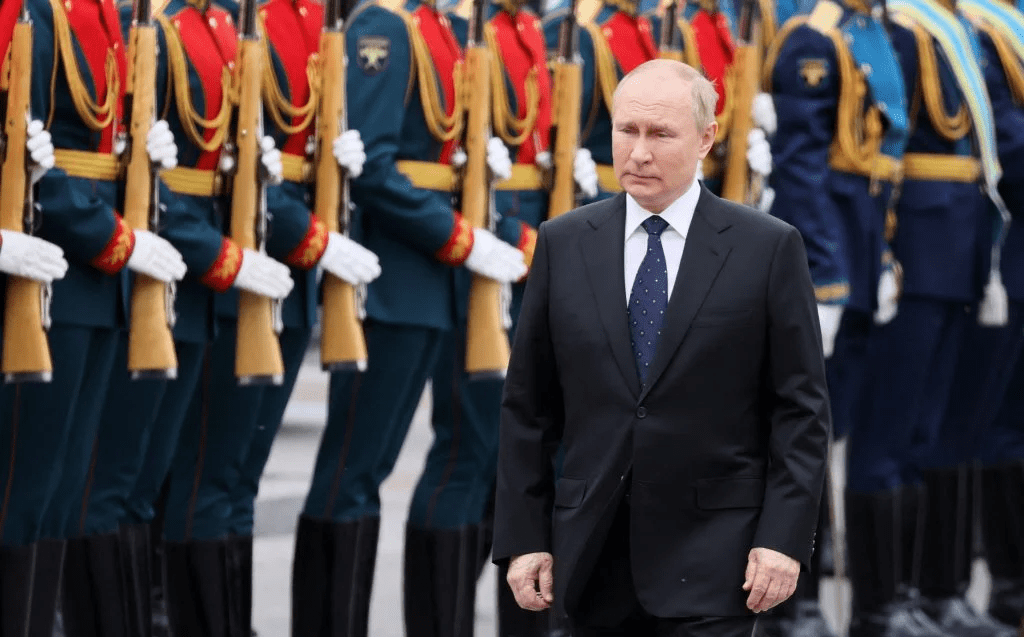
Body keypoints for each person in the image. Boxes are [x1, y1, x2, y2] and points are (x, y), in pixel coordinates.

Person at [493, 59, 831, 637]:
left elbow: (800, 412)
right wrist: (525, 539)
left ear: (705, 138)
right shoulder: (564, 243)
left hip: (716, 557)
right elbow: (528, 408)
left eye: (661, 134)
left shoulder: (766, 249)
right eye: (627, 130)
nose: (639, 152)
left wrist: (783, 539)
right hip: (592, 554)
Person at [290, 0, 527, 632]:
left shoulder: (439, 27)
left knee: (440, 459)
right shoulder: (386, 26)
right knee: (354, 469)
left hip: (438, 281)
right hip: (394, 276)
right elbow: (371, 165)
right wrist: (459, 238)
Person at [761, 0, 910, 633]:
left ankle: (818, 601)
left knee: (833, 427)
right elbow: (801, 166)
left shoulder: (870, 30)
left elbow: (882, 156)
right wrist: (822, 275)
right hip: (828, 255)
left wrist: (880, 257)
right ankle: (791, 606)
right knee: (802, 436)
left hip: (861, 243)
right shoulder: (813, 40)